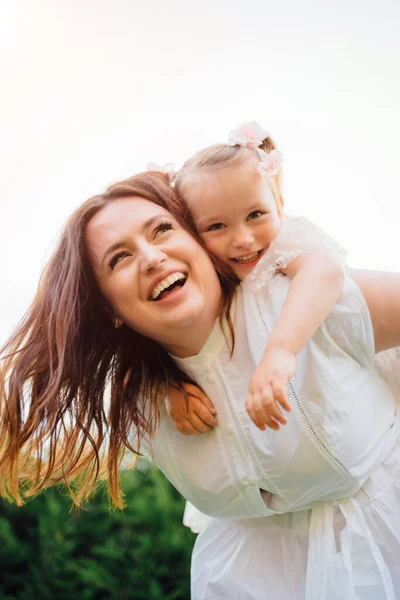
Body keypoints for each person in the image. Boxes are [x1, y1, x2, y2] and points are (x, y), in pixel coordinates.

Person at [0, 171, 399, 599]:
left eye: (163, 229)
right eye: (119, 258)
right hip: (249, 582)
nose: (152, 257)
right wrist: (159, 384)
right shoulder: (141, 397)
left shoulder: (302, 302)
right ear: (107, 307)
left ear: (200, 242)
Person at [167, 121, 347, 433]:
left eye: (255, 215)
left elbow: (323, 271)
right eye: (216, 226)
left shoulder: (285, 244)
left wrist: (281, 351)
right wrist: (168, 388)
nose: (243, 239)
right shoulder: (203, 282)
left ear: (278, 204)